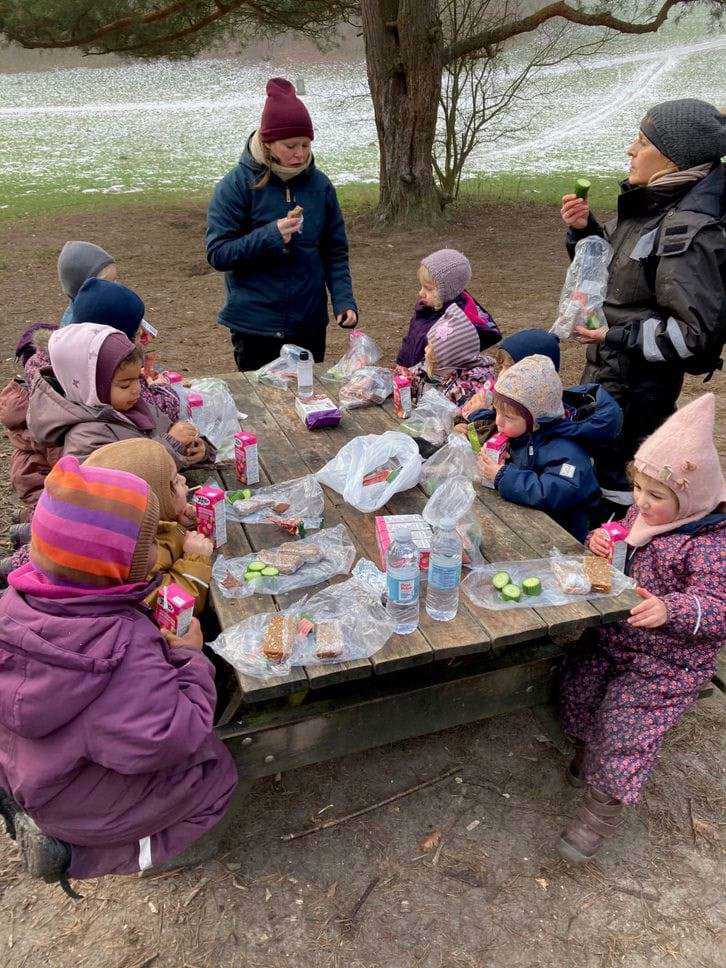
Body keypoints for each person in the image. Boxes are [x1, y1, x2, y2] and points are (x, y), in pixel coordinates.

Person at [0, 456, 239, 889]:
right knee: (214, 773)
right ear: (119, 561)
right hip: (77, 804)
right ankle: (87, 853)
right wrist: (191, 657)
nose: (152, 551)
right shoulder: (121, 645)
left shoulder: (14, 605)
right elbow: (174, 735)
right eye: (146, 544)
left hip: (35, 772)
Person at [558, 394, 725, 863]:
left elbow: (719, 605)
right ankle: (588, 752)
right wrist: (603, 543)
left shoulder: (711, 545)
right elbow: (625, 551)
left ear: (688, 500)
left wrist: (673, 609)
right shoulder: (643, 517)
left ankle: (598, 812)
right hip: (618, 636)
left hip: (669, 661)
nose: (640, 503)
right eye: (637, 488)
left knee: (626, 725)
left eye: (655, 496)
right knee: (578, 686)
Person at [560, 98, 726, 512]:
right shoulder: (651, 205)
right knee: (592, 485)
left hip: (635, 402)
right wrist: (586, 234)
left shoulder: (689, 230)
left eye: (642, 142)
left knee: (616, 496)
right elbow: (624, 279)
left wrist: (613, 334)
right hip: (607, 380)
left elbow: (695, 338)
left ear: (672, 158)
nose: (631, 151)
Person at [206, 77, 358, 372]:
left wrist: (344, 301)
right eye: (290, 145)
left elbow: (334, 252)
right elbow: (218, 253)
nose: (299, 154)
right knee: (264, 413)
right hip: (255, 327)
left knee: (309, 403)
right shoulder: (236, 185)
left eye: (305, 144)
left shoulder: (321, 186)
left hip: (308, 324)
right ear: (267, 142)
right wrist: (270, 235)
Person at [477, 355, 619, 542]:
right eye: (497, 411)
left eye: (508, 417)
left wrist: (502, 476)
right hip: (526, 523)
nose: (499, 421)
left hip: (563, 537)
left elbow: (550, 493)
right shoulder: (521, 433)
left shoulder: (568, 452)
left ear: (536, 420)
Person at [27, 323, 208, 467]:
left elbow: (167, 433)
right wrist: (171, 444)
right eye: (124, 384)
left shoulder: (136, 407)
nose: (136, 389)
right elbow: (120, 484)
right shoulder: (86, 437)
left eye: (138, 379)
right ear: (91, 386)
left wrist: (196, 449)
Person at [84, 439, 213, 616]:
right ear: (155, 499)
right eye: (175, 480)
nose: (183, 479)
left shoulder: (140, 524)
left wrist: (179, 523)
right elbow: (171, 609)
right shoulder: (137, 559)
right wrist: (195, 558)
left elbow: (163, 537)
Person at [396, 249, 499, 367]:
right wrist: (402, 363)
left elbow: (451, 362)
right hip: (411, 373)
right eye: (422, 286)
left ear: (447, 290)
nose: (421, 293)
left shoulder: (458, 321)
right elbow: (411, 337)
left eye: (428, 289)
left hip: (433, 379)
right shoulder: (426, 307)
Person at [57, 240, 117, 325]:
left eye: (114, 281)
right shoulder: (76, 327)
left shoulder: (111, 301)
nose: (115, 288)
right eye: (106, 284)